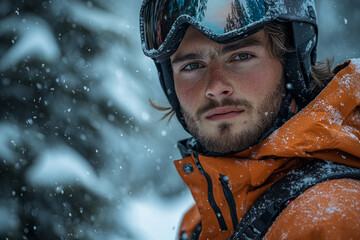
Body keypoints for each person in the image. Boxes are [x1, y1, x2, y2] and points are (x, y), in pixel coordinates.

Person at [139, 0, 360, 239]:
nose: (215, 87)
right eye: (193, 65)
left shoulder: (331, 220)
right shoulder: (199, 222)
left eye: (241, 56)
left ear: (290, 65)